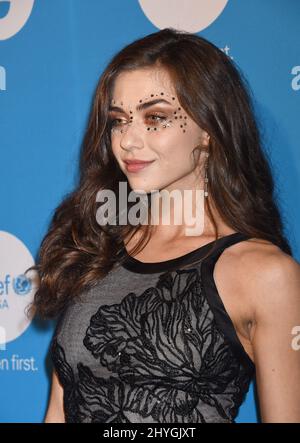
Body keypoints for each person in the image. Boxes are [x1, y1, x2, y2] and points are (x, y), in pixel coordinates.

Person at [28, 28, 300, 423]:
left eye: (155, 117)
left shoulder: (264, 274)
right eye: (119, 121)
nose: (128, 141)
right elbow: (60, 406)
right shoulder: (95, 245)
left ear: (208, 128)